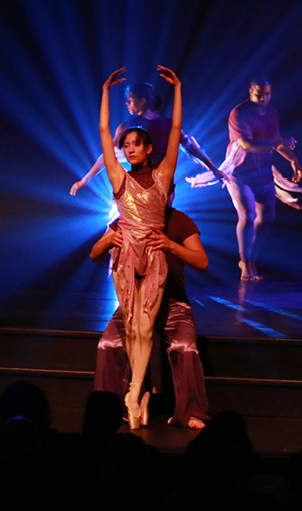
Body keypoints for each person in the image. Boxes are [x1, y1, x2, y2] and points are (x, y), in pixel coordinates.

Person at [97, 65, 181, 428]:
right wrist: (105, 91)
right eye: (126, 146)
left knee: (146, 329)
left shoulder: (163, 175)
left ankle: (133, 392)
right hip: (126, 254)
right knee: (132, 328)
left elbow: (176, 131)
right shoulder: (118, 177)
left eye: (136, 145)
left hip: (154, 254)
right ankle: (142, 393)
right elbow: (103, 131)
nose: (129, 150)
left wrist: (178, 90)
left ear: (149, 148)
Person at [91, 196, 209, 429]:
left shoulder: (180, 221)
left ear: (171, 193)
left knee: (185, 348)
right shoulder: (124, 219)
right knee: (108, 345)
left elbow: (202, 261)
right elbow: (94, 253)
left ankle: (191, 411)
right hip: (132, 304)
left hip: (171, 304)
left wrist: (170, 245)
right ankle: (113, 408)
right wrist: (108, 241)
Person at [70, 81, 225, 196]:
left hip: (152, 188)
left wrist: (213, 169)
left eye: (130, 100)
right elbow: (192, 148)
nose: (127, 103)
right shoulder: (165, 125)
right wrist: (213, 169)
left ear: (142, 101)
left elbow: (191, 147)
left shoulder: (134, 126)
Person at [222, 77, 302, 282]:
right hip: (240, 174)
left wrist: (293, 160)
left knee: (267, 218)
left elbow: (277, 141)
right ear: (250, 91)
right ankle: (246, 265)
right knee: (247, 216)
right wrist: (277, 144)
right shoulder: (239, 113)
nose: (264, 98)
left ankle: (250, 259)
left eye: (267, 94)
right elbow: (247, 144)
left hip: (263, 172)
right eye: (259, 94)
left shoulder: (272, 113)